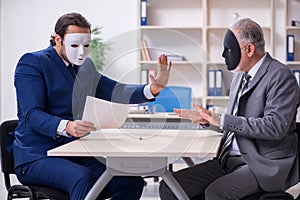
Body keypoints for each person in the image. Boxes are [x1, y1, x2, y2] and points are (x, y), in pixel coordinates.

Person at [12, 12, 171, 200]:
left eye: (86, 46)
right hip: (37, 156)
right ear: (58, 40)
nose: (81, 52)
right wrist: (67, 126)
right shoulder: (32, 63)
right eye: (74, 45)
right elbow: (31, 114)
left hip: (74, 152)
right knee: (83, 179)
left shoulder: (85, 66)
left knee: (130, 182)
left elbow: (116, 90)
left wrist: (152, 88)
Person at [159, 18, 300, 200]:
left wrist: (221, 120)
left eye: (229, 49)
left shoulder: (281, 76)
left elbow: (275, 127)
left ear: (249, 49)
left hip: (262, 164)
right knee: (170, 187)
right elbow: (236, 125)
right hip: (228, 159)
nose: (224, 55)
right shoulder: (239, 77)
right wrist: (209, 121)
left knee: (215, 193)